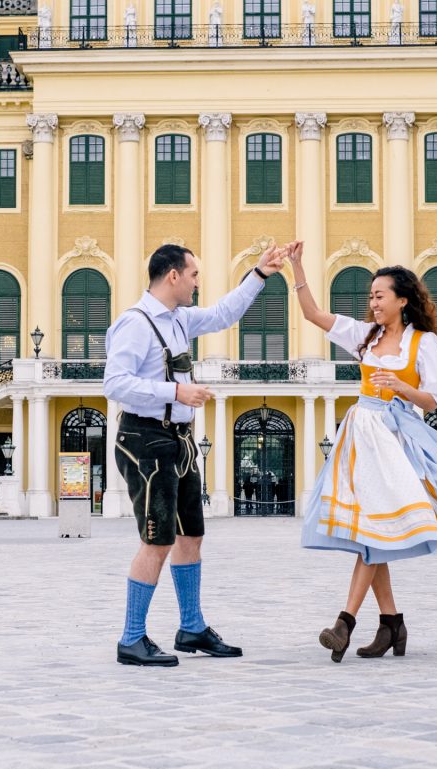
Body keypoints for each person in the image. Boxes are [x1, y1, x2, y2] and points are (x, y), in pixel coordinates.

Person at [287, 242, 437, 662]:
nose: (372, 302)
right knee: (372, 533)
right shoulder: (364, 335)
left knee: (372, 532)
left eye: (379, 295)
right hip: (360, 435)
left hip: (395, 439)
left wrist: (401, 387)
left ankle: (345, 623)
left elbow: (432, 401)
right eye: (370, 296)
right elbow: (313, 315)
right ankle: (391, 624)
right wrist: (297, 268)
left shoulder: (425, 344)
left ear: (402, 300)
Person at [105, 243, 286, 667]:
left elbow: (225, 313)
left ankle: (191, 627)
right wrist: (175, 391)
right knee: (158, 539)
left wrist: (259, 274)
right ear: (172, 276)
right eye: (194, 275)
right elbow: (115, 384)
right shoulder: (135, 324)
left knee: (191, 535)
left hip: (179, 441)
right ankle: (131, 638)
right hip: (145, 441)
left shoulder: (180, 320)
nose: (197, 282)